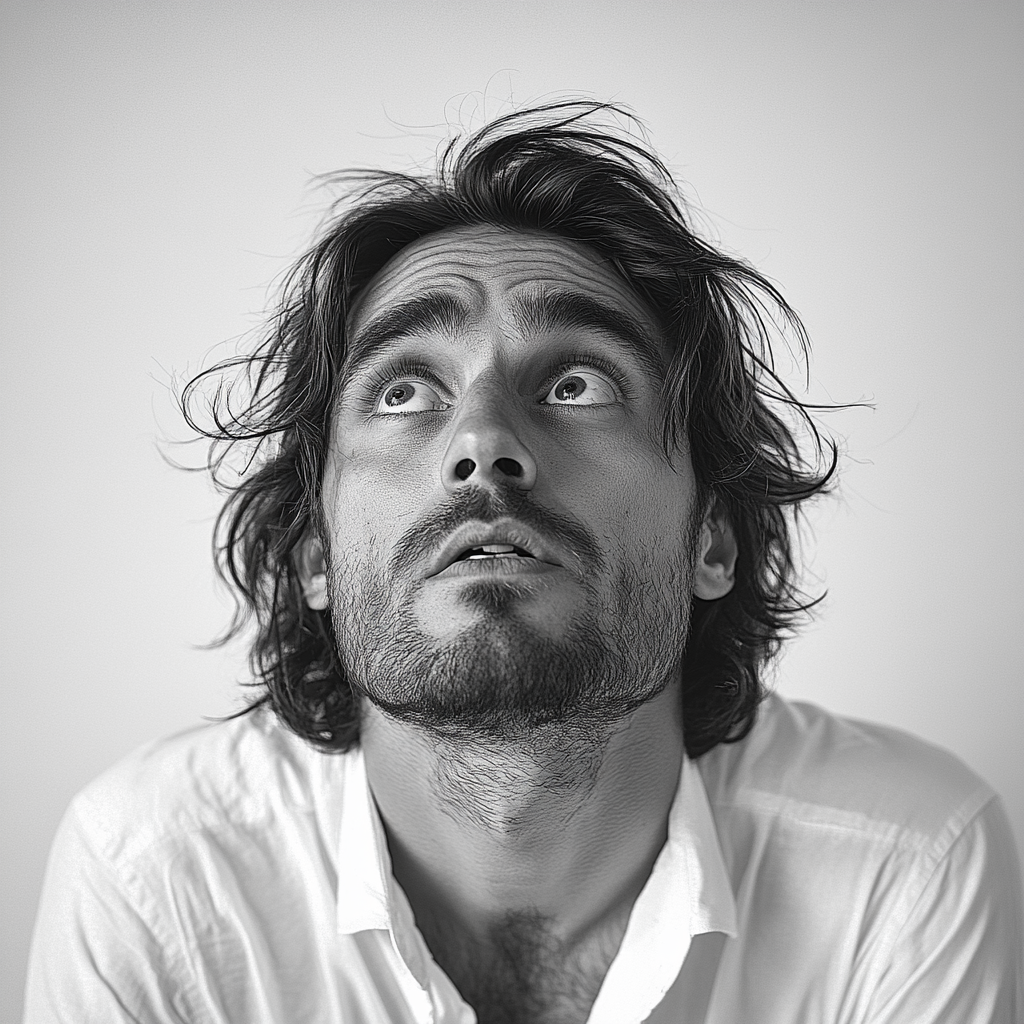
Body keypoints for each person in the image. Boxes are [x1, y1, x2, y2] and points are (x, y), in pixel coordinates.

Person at [25, 102, 1022, 1024]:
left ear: (710, 540)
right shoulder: (155, 877)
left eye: (578, 382)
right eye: (405, 389)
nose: (483, 440)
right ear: (316, 552)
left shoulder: (905, 861)